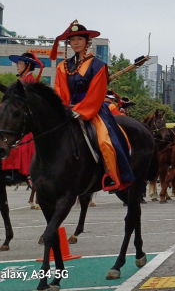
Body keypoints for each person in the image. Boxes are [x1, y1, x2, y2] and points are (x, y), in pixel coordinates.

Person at [52, 20, 134, 192]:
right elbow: (60, 91)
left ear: (87, 42)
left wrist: (81, 111)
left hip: (93, 108)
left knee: (104, 140)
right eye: (72, 40)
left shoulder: (98, 65)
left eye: (79, 39)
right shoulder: (63, 66)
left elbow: (97, 93)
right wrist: (64, 109)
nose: (75, 43)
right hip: (69, 109)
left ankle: (110, 174)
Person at [2, 52, 43, 184]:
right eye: (18, 63)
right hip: (15, 116)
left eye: (20, 63)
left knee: (17, 142)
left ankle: (19, 172)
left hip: (26, 120)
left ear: (28, 65)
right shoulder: (20, 80)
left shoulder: (30, 81)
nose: (17, 66)